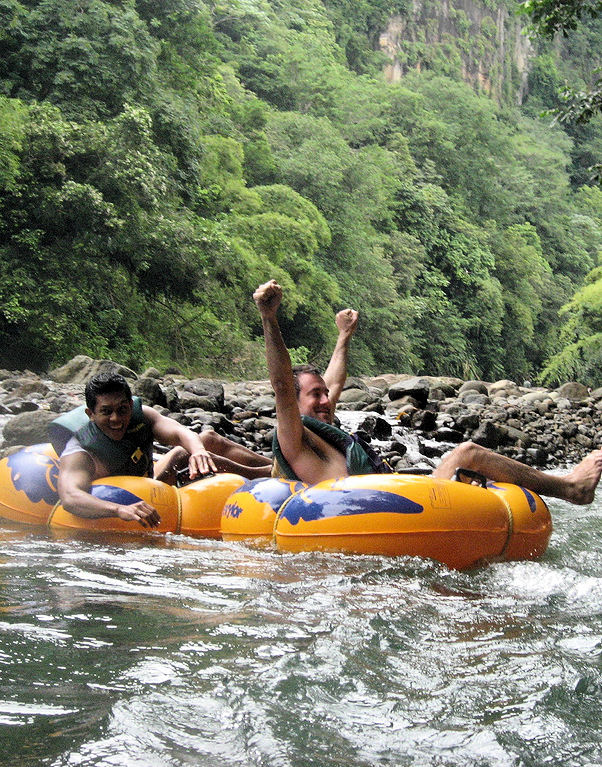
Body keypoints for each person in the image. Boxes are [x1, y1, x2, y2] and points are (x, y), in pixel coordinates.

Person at [254, 279, 602, 504]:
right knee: (466, 453)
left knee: (466, 468)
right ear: (293, 405)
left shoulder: (323, 432)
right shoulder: (294, 437)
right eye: (315, 395)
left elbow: (334, 381)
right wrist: (269, 318)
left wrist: (344, 336)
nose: (327, 399)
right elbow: (283, 385)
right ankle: (571, 489)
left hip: (389, 502)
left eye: (325, 394)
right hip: (370, 510)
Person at [53, 372, 271, 528]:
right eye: (106, 412)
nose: (116, 419)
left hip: (152, 480)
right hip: (133, 501)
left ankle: (275, 465)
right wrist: (120, 509)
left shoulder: (143, 416)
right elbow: (71, 498)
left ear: (130, 403)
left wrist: (198, 451)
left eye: (122, 409)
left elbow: (179, 432)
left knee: (206, 439)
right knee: (189, 452)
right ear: (90, 414)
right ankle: (267, 475)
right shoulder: (80, 452)